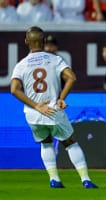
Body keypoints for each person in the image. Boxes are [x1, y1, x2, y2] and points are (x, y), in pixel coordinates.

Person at [10, 26, 98, 189]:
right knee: (70, 143)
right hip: (53, 110)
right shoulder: (54, 59)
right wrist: (61, 98)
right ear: (43, 42)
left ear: (26, 42)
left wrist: (36, 105)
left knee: (46, 143)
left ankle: (54, 179)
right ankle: (85, 180)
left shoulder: (20, 65)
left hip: (33, 114)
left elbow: (14, 89)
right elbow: (71, 78)